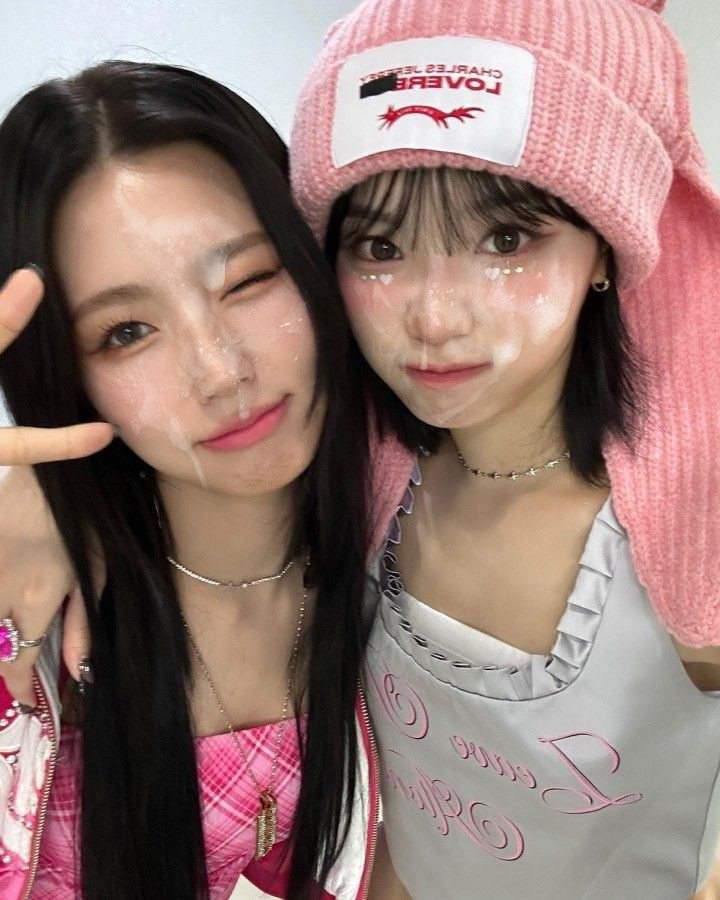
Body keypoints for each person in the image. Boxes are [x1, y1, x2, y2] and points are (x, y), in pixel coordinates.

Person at [289, 0, 720, 896]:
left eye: (506, 238)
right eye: (380, 247)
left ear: (606, 249)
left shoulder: (690, 538)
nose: (435, 316)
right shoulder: (365, 474)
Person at [0, 61, 381, 900]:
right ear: (65, 376)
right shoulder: (24, 616)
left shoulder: (400, 548)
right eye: (126, 331)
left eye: (248, 280)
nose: (220, 372)